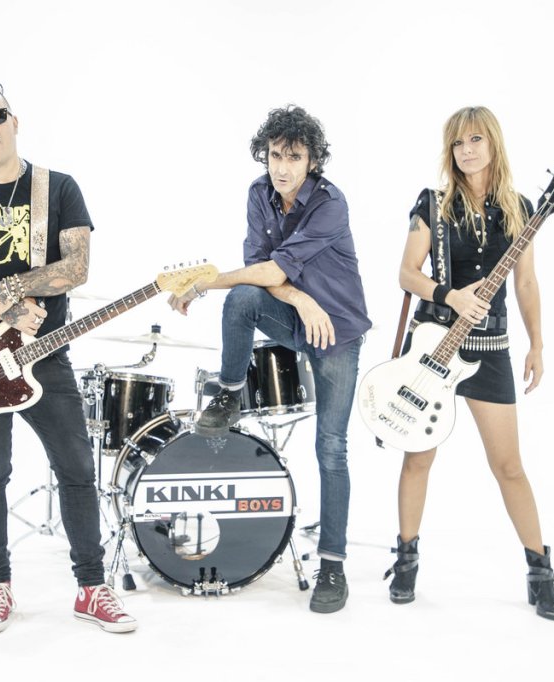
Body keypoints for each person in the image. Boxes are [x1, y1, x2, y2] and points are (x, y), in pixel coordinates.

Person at [0, 79, 136, 634]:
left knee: (76, 469)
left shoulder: (57, 188)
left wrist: (13, 288)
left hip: (45, 354)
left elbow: (76, 267)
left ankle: (92, 588)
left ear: (15, 121)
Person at [169, 105, 371, 614]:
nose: (281, 167)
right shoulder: (259, 194)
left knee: (331, 448)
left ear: (312, 161)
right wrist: (301, 300)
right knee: (242, 300)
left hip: (338, 332)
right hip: (297, 316)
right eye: (275, 155)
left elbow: (274, 268)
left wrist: (206, 281)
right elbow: (262, 271)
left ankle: (333, 566)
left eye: (293, 157)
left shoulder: (330, 203)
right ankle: (229, 395)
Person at [384, 106, 554, 620]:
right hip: (434, 347)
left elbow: (525, 281)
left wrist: (537, 344)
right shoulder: (432, 204)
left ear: (493, 143)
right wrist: (450, 295)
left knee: (509, 466)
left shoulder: (520, 207)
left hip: (490, 350)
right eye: (458, 142)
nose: (466, 150)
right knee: (418, 459)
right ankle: (406, 559)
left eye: (476, 140)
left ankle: (540, 572)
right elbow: (407, 273)